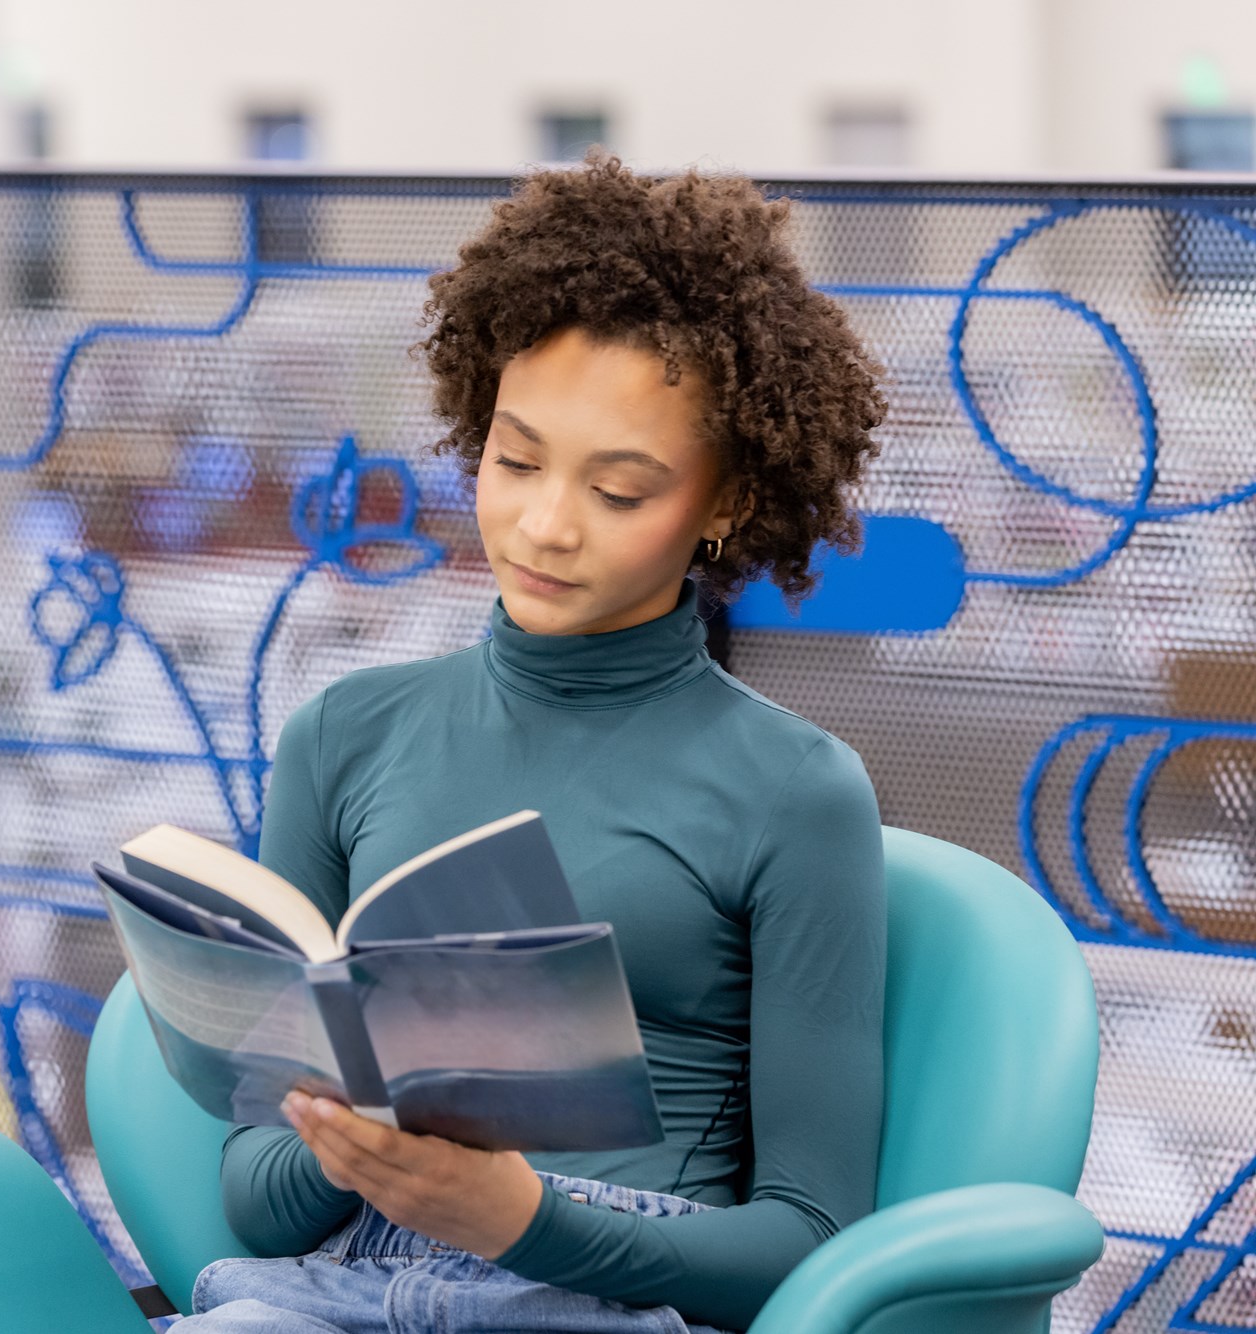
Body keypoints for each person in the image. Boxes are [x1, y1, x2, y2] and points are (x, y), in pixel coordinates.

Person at [179, 153, 890, 1333]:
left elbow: (812, 1238)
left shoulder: (796, 793)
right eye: (513, 461)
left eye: (619, 491)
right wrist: (362, 1137)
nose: (544, 524)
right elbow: (255, 1197)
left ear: (722, 504)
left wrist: (519, 1219)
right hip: (338, 1288)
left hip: (604, 1301)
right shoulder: (342, 737)